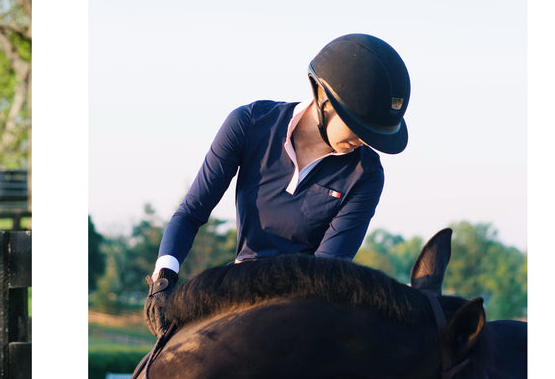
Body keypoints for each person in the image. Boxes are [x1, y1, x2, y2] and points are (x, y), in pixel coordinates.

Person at [145, 33, 410, 337]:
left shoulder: (366, 174)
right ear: (323, 99)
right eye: (361, 128)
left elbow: (325, 273)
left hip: (303, 309)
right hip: (235, 294)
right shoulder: (248, 123)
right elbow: (191, 213)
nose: (365, 142)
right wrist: (163, 278)